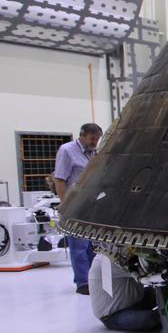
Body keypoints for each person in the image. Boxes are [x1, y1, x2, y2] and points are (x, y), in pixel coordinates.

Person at [53, 123, 102, 294]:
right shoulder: (67, 150)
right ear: (82, 136)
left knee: (93, 246)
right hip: (75, 205)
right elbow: (59, 179)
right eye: (92, 139)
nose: (95, 142)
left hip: (92, 204)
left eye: (97, 139)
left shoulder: (94, 153)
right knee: (79, 246)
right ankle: (82, 283)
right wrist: (65, 204)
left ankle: (93, 280)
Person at [88, 253, 160, 332]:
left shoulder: (112, 255)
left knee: (161, 292)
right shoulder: (108, 261)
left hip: (133, 301)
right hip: (113, 315)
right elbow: (147, 271)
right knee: (150, 318)